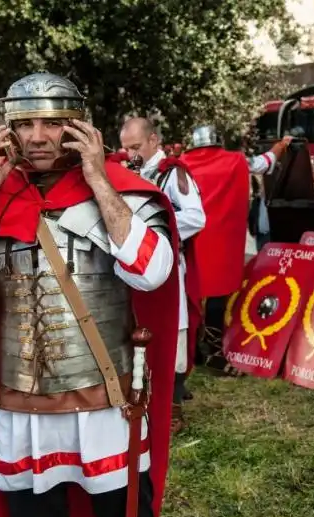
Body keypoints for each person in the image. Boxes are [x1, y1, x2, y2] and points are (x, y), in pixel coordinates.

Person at [0, 73, 180, 517]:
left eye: (52, 124)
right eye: (26, 123)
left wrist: (98, 180)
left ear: (77, 127)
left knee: (122, 511)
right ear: (9, 130)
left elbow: (152, 274)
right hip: (20, 408)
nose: (37, 137)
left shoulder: (122, 192)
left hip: (105, 405)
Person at [120, 117, 205, 434]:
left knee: (174, 330)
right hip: (135, 266)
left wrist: (152, 234)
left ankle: (173, 408)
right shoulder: (134, 172)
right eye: (126, 148)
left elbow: (196, 217)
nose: (131, 154)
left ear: (154, 140)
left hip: (166, 264)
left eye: (136, 147)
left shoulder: (174, 173)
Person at [180, 125, 250, 375]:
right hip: (221, 240)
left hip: (191, 239)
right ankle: (213, 353)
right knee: (217, 296)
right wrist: (279, 148)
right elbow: (263, 163)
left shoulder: (181, 164)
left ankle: (195, 352)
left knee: (191, 296)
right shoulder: (235, 161)